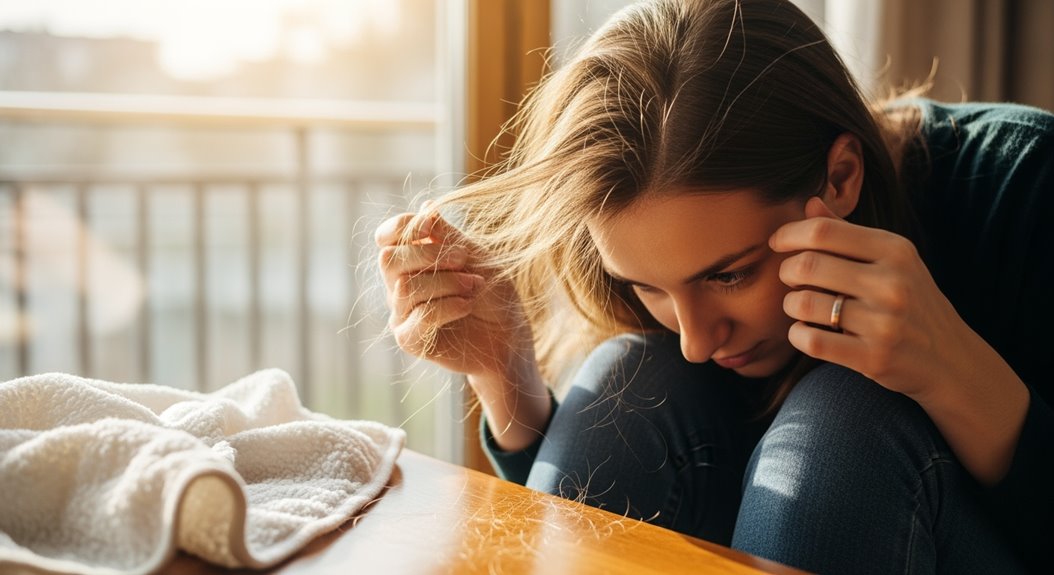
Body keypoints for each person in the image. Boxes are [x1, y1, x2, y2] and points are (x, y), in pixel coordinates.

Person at [374, 0, 1053, 572]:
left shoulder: (1026, 185)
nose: (696, 341)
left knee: (845, 419)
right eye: (649, 288)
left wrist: (951, 370)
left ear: (841, 178)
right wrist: (507, 377)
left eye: (729, 273)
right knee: (626, 380)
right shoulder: (672, 342)